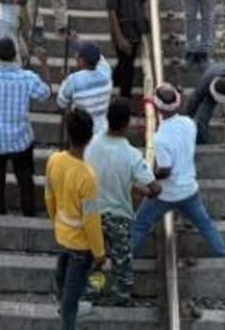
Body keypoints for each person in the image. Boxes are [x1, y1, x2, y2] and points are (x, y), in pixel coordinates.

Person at [128, 84, 225, 259]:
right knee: (205, 224)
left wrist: (149, 178)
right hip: (189, 190)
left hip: (166, 195)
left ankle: (125, 258)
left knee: (140, 224)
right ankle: (223, 254)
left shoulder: (160, 138)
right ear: (178, 103)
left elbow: (166, 170)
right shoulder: (189, 124)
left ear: (157, 107)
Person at [85, 99, 159, 308]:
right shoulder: (131, 155)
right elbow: (153, 188)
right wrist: (145, 190)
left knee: (96, 260)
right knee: (122, 261)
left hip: (93, 213)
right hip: (119, 216)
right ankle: (121, 297)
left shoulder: (92, 144)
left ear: (107, 119)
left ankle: (92, 293)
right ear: (126, 124)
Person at [0, 37, 51, 216]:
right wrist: (44, 64)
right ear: (15, 55)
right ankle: (28, 212)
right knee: (25, 180)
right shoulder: (27, 78)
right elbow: (46, 94)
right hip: (21, 141)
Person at [46, 107, 108, 330]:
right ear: (90, 137)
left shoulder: (54, 160)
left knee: (62, 280)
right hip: (81, 245)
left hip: (62, 235)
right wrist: (100, 253)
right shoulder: (87, 177)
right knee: (72, 297)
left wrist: (57, 222)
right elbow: (91, 221)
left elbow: (49, 196)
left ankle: (65, 306)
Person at [104, 0, 147, 98]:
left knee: (126, 63)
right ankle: (124, 96)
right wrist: (120, 38)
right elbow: (112, 13)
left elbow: (141, 3)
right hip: (122, 31)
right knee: (127, 66)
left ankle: (110, 81)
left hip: (136, 30)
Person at [56, 40, 114, 133]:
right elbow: (100, 58)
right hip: (102, 129)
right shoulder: (106, 72)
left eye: (77, 56)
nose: (75, 57)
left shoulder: (73, 80)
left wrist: (63, 82)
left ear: (82, 61)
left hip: (82, 132)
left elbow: (61, 103)